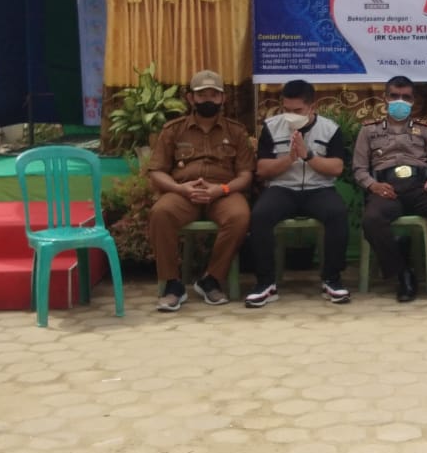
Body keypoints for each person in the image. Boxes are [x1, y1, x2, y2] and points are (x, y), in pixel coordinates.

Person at [147, 70, 254, 311]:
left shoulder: (236, 131)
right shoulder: (173, 130)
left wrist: (221, 189)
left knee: (239, 216)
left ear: (223, 98)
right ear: (190, 98)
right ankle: (172, 285)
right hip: (183, 192)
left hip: (223, 192)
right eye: (202, 95)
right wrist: (180, 188)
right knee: (160, 213)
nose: (208, 100)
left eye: (214, 95)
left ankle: (211, 279)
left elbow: (246, 175)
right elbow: (156, 171)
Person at [243, 80, 352, 308]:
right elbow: (262, 169)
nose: (291, 116)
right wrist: (289, 158)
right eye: (286, 110)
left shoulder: (330, 129)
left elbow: (336, 168)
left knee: (337, 213)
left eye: (297, 110)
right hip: (282, 188)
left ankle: (332, 280)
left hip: (318, 188)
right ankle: (265, 283)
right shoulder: (271, 127)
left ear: (312, 107)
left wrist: (307, 155)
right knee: (260, 215)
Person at [352, 76, 427, 303]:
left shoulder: (426, 130)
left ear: (413, 101)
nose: (399, 101)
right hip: (386, 190)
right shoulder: (369, 130)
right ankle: (403, 274)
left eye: (405, 97)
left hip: (420, 188)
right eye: (394, 96)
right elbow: (359, 169)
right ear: (385, 98)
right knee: (372, 220)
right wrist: (373, 185)